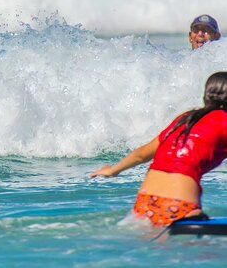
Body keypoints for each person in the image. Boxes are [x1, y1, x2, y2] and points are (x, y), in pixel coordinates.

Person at [90, 71, 227, 227]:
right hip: (180, 204)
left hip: (145, 202)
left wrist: (113, 170)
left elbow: (141, 154)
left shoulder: (185, 118)